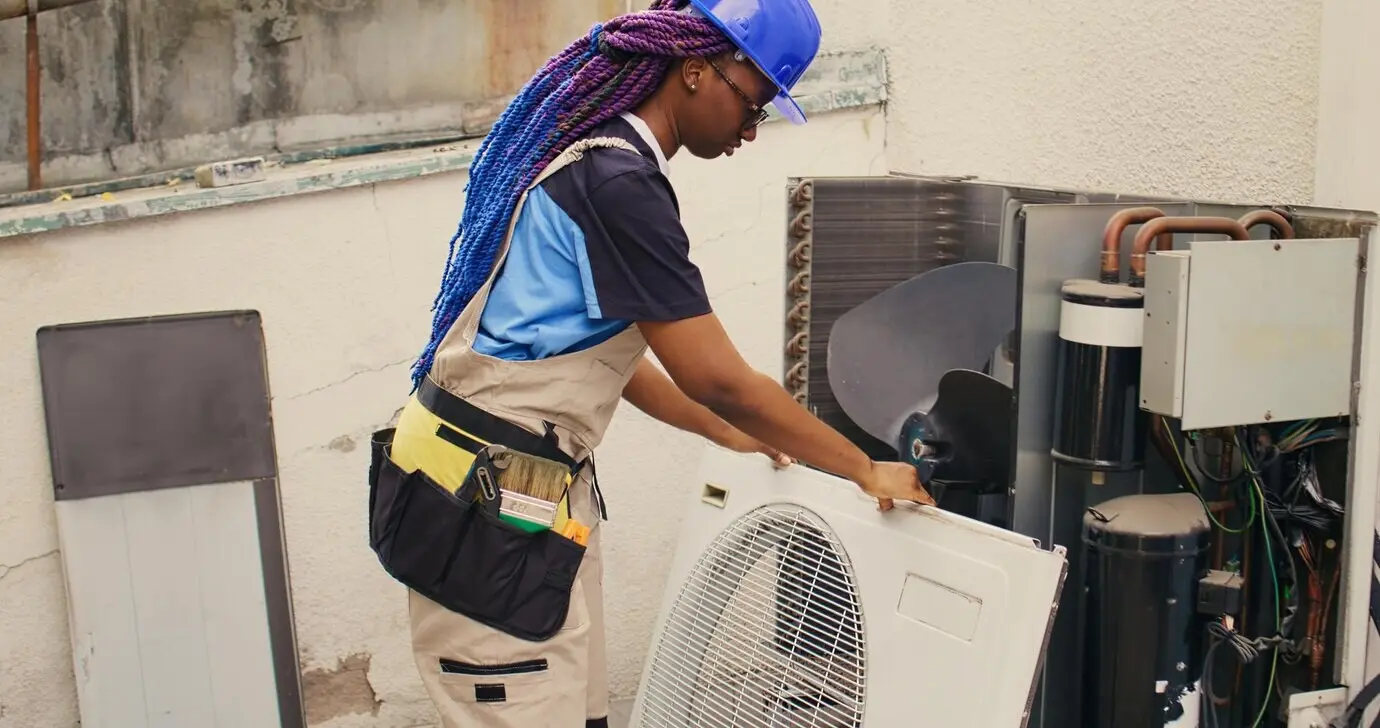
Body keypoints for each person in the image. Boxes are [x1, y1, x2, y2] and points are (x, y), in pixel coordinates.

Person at [365, 1, 935, 726]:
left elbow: (608, 361)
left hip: (519, 499)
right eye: (752, 103)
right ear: (694, 70)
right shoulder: (617, 185)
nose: (749, 131)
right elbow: (719, 378)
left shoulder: (602, 162)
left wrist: (729, 435)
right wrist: (860, 467)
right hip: (486, 513)